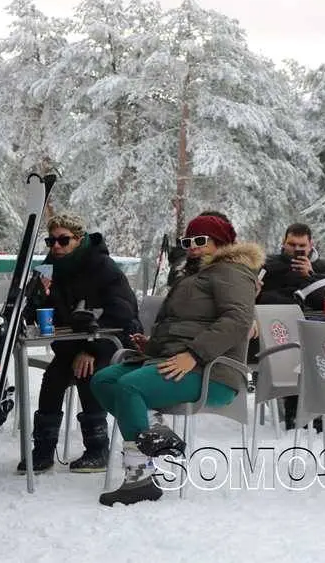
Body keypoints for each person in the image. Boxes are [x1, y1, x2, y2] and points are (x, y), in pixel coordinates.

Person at [91, 214, 263, 506]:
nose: (192, 247)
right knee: (103, 380)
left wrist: (194, 355)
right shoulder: (194, 276)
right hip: (176, 360)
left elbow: (237, 319)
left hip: (212, 370)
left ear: (220, 243)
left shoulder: (231, 271)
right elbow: (181, 324)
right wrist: (152, 345)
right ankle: (153, 429)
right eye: (188, 241)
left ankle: (140, 477)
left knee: (130, 387)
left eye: (200, 241)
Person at [19, 213, 142, 474]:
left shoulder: (101, 266)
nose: (56, 247)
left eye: (63, 240)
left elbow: (123, 313)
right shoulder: (47, 267)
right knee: (53, 377)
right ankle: (42, 449)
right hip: (71, 344)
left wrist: (91, 349)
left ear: (79, 239)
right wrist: (39, 294)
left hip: (111, 340)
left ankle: (98, 448)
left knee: (88, 371)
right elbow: (31, 314)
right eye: (50, 241)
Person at [255, 223, 325, 430]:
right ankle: (298, 413)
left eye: (301, 245)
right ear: (283, 243)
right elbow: (259, 298)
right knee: (298, 354)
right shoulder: (268, 266)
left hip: (319, 329)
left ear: (311, 244)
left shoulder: (324, 267)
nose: (296, 250)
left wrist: (311, 277)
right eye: (291, 244)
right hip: (281, 331)